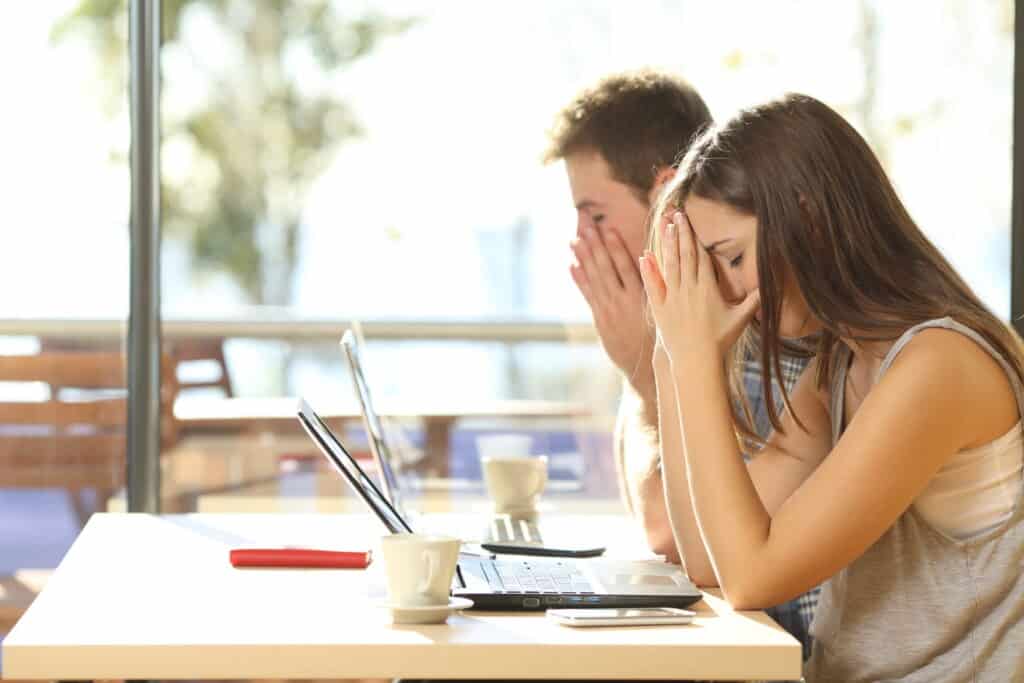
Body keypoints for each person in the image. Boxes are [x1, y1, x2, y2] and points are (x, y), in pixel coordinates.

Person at [638, 92, 1024, 680]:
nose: (729, 291)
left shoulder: (938, 365)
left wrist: (694, 361)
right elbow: (706, 559)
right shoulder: (840, 366)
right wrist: (674, 347)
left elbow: (751, 576)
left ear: (809, 219)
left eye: (733, 258)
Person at [544, 70, 818, 654]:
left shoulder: (760, 319)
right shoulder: (693, 321)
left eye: (594, 216)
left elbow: (671, 539)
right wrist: (650, 363)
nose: (579, 241)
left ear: (666, 191)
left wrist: (649, 371)